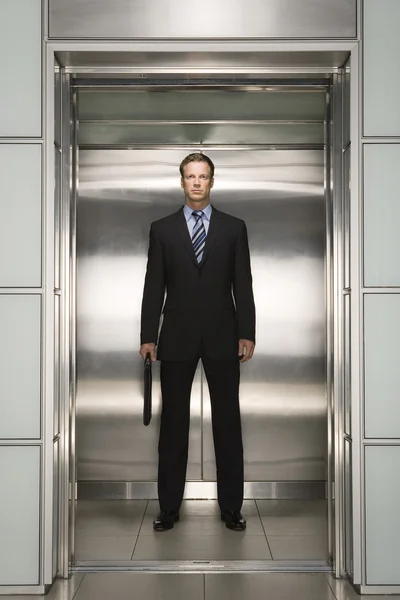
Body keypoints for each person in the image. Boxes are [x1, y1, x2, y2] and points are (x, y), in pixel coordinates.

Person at [139, 153, 256, 532]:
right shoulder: (163, 229)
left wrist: (247, 332)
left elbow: (244, 284)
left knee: (227, 422)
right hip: (176, 336)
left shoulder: (234, 227)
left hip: (224, 335)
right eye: (190, 176)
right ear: (181, 181)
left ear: (211, 181)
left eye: (202, 176)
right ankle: (169, 508)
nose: (196, 182)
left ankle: (231, 508)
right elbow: (153, 285)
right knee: (173, 423)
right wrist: (147, 337)